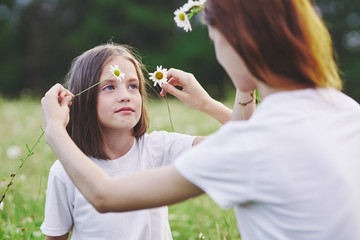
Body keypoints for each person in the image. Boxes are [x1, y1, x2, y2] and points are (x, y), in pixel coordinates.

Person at [41, 0, 360, 239]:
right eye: (110, 85)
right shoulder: (346, 111)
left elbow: (105, 195)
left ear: (240, 44)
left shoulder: (251, 144)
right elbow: (248, 138)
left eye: (215, 41)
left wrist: (55, 129)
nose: (218, 55)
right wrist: (209, 104)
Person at [40, 43, 254, 240]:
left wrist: (207, 103)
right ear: (83, 98)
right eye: (109, 87)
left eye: (133, 86)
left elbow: (241, 145)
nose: (126, 96)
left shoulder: (159, 148)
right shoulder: (65, 171)